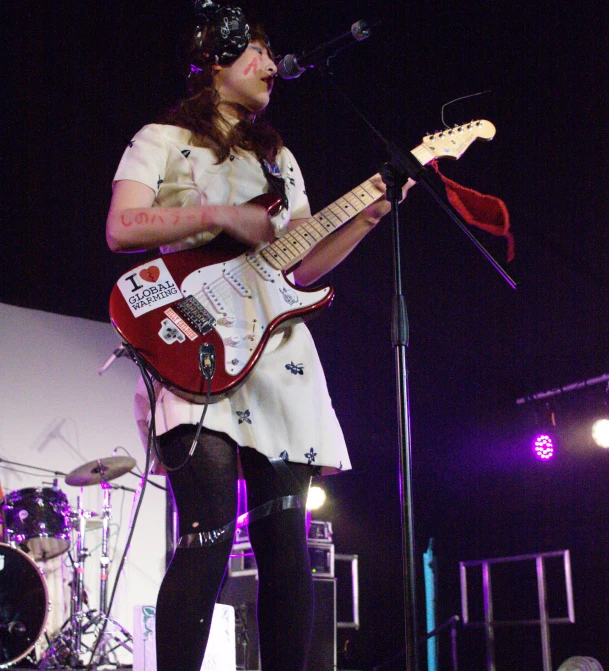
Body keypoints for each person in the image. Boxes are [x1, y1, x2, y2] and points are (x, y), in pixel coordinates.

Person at [106, 2, 413, 669]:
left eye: (274, 55)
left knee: (285, 545)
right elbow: (121, 227)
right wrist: (222, 216)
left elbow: (297, 263)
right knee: (207, 536)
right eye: (258, 53)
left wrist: (366, 219)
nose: (272, 65)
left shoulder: (280, 157)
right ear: (216, 60)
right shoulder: (160, 138)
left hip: (278, 357)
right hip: (197, 341)